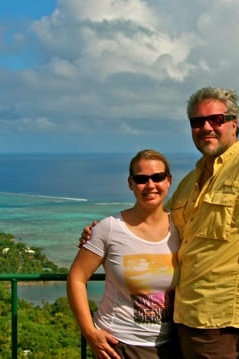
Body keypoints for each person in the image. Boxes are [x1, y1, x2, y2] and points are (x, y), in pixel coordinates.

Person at [81, 87, 239, 359]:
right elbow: (159, 224)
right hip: (185, 320)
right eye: (197, 122)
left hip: (225, 325)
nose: (206, 127)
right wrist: (101, 236)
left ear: (234, 123)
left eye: (216, 119)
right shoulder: (193, 180)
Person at [67, 149, 181, 359]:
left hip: (171, 344)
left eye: (158, 177)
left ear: (169, 180)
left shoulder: (181, 228)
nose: (150, 185)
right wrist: (89, 331)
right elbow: (76, 277)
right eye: (141, 179)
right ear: (130, 183)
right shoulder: (109, 228)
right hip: (119, 345)